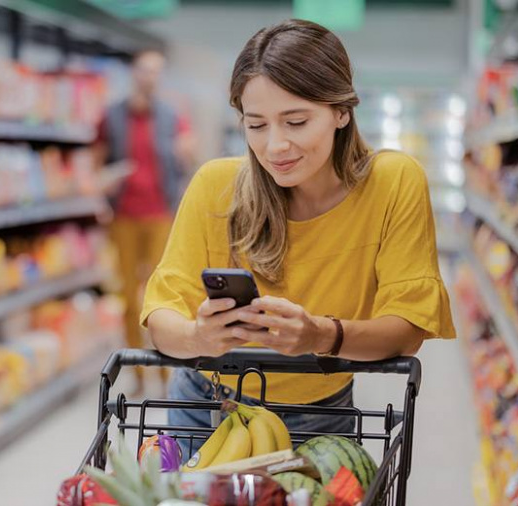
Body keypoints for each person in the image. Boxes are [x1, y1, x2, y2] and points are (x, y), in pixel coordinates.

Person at [139, 19, 456, 458]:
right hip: (203, 407)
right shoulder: (215, 186)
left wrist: (319, 336)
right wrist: (199, 338)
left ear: (341, 111)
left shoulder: (393, 183)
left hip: (319, 416)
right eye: (257, 125)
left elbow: (407, 330)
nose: (275, 147)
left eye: (296, 121)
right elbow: (160, 316)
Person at [97, 49, 196, 393]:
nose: (149, 77)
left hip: (160, 215)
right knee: (127, 295)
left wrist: (186, 154)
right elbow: (97, 162)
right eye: (144, 70)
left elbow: (188, 155)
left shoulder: (172, 116)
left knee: (163, 297)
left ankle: (167, 371)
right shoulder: (112, 116)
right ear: (133, 74)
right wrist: (103, 183)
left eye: (156, 71)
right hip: (123, 215)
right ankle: (136, 372)